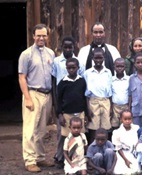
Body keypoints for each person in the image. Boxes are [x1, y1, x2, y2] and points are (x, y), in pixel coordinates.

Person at [18, 23, 55, 172]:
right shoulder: (26, 54)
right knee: (30, 129)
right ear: (33, 36)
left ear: (47, 36)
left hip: (47, 94)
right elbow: (22, 77)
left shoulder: (51, 53)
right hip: (33, 93)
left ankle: (40, 157)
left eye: (44, 35)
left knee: (41, 130)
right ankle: (29, 160)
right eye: (38, 35)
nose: (41, 38)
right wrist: (27, 98)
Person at [52, 36, 84, 168]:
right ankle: (60, 158)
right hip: (63, 102)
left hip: (76, 103)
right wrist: (57, 108)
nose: (68, 49)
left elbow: (81, 85)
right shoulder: (57, 61)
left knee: (78, 134)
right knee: (62, 134)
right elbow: (54, 82)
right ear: (61, 47)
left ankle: (77, 159)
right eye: (65, 47)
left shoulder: (78, 62)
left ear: (74, 47)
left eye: (70, 47)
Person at [56, 58, 89, 168]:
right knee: (66, 137)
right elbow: (58, 100)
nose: (71, 70)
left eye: (73, 68)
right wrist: (60, 115)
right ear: (66, 68)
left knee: (80, 137)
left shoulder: (81, 81)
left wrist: (86, 115)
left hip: (80, 113)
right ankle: (62, 159)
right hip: (67, 114)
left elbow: (84, 98)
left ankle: (80, 159)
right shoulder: (62, 83)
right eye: (69, 68)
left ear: (78, 68)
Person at [84, 47, 112, 143]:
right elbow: (86, 94)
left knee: (105, 128)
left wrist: (111, 107)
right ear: (92, 58)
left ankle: (105, 149)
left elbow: (110, 91)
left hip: (105, 101)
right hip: (93, 101)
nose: (98, 60)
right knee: (93, 128)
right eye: (96, 58)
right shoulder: (88, 73)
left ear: (104, 58)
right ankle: (93, 150)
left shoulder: (108, 72)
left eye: (100, 58)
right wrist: (88, 109)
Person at [112, 110, 141, 174]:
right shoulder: (117, 132)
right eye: (125, 119)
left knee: (136, 169)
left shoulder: (137, 128)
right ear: (121, 120)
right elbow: (118, 148)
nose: (127, 121)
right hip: (123, 154)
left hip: (134, 152)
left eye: (129, 119)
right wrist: (125, 160)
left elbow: (140, 139)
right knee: (121, 170)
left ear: (132, 119)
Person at [111, 58, 129, 129]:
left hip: (125, 106)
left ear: (125, 67)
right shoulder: (111, 79)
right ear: (114, 67)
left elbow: (130, 94)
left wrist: (129, 107)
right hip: (115, 107)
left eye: (121, 66)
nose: (119, 68)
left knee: (125, 125)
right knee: (115, 126)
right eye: (117, 66)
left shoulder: (128, 79)